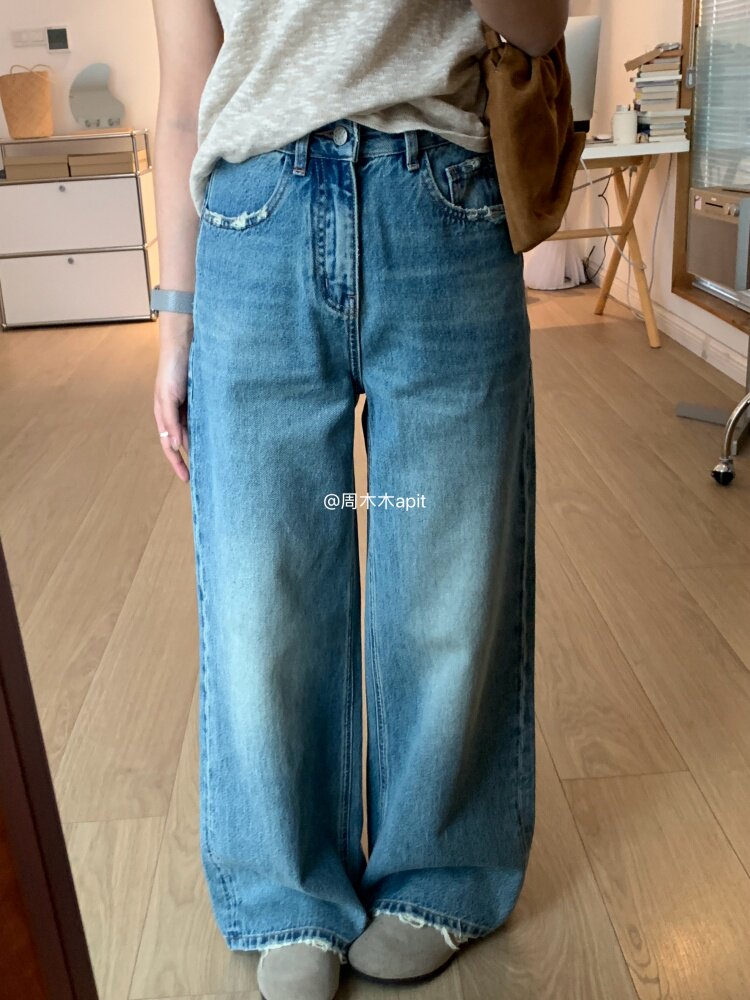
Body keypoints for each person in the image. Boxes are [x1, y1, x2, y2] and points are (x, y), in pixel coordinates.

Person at [150, 2, 567, 998]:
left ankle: (440, 869)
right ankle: (288, 887)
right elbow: (183, 101)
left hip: (445, 198)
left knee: (447, 576)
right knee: (263, 592)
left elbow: (539, 26)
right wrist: (173, 319)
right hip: (251, 221)